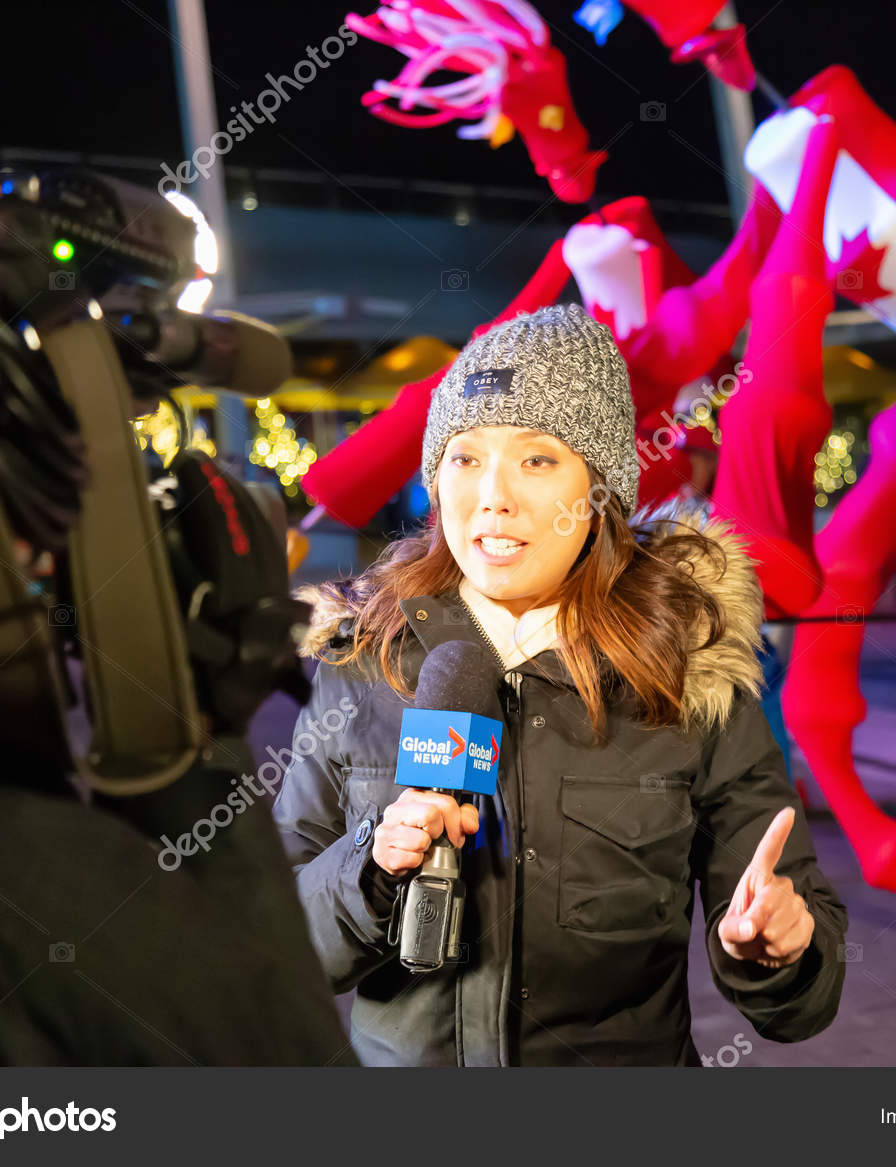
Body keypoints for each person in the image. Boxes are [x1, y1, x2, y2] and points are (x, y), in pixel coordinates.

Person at [273, 303, 848, 1065]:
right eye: (465, 457)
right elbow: (274, 942)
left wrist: (778, 950)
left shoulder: (689, 669)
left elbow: (800, 982)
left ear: (599, 489)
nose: (494, 496)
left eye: (537, 459)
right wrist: (371, 867)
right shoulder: (364, 660)